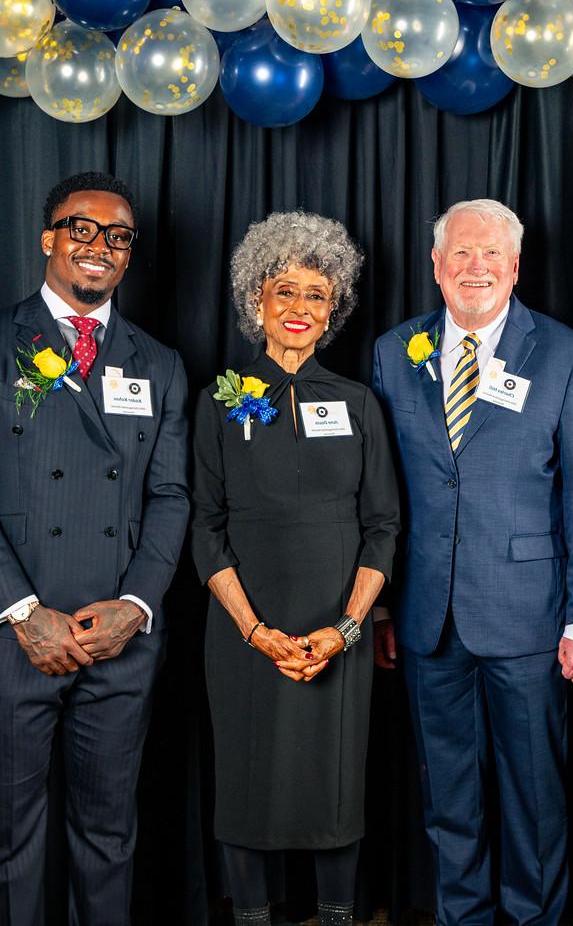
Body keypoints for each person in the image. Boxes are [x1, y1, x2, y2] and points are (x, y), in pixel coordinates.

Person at [0, 172, 190, 926]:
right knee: (9, 839)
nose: (99, 247)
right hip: (14, 637)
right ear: (48, 239)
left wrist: (135, 607)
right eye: (81, 229)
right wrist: (22, 611)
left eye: (118, 236)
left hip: (119, 638)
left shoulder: (158, 362)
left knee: (108, 834)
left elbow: (171, 496)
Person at [371, 199, 573, 925]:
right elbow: (380, 492)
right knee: (447, 794)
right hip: (424, 618)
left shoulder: (565, 354)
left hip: (529, 617)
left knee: (534, 794)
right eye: (461, 254)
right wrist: (381, 603)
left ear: (514, 267)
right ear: (437, 266)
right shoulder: (393, 351)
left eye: (491, 255)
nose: (476, 267)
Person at [190, 211, 400, 926]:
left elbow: (383, 526)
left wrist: (344, 629)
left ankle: (339, 915)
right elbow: (206, 526)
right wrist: (255, 631)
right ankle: (251, 914)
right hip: (246, 632)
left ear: (333, 307)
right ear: (257, 301)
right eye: (285, 290)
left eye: (317, 294)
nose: (301, 308)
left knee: (334, 781)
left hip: (335, 634)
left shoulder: (359, 403)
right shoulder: (219, 402)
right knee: (246, 780)